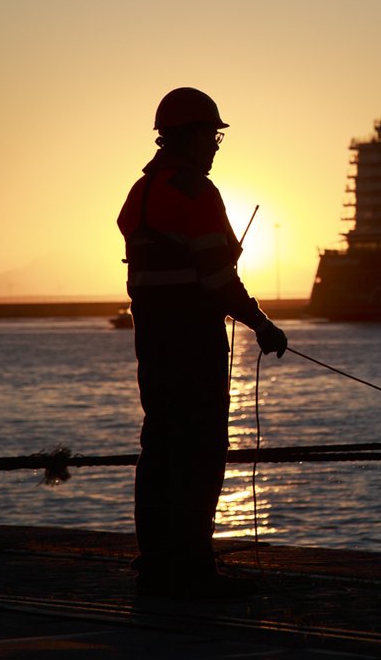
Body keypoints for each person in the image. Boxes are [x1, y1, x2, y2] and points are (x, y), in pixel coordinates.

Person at [117, 86, 287, 598]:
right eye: (212, 136)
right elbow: (218, 281)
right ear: (190, 136)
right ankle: (193, 570)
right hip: (192, 342)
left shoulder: (139, 194)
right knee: (201, 451)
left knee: (160, 448)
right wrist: (262, 325)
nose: (215, 146)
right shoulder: (195, 193)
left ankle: (156, 565)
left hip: (153, 343)